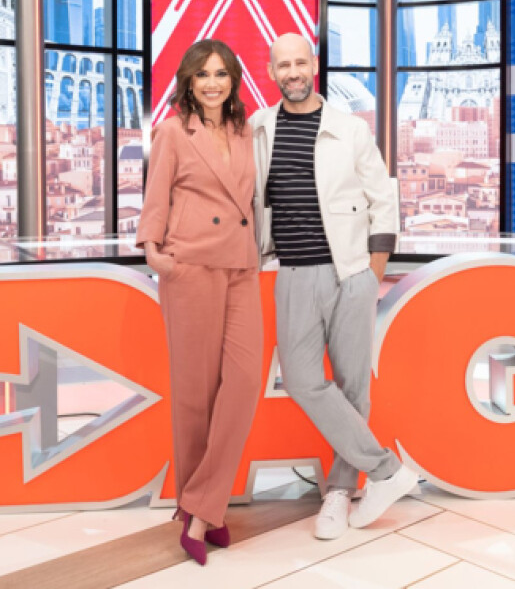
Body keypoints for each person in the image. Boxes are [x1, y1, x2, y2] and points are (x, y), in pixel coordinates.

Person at [250, 32, 418, 540]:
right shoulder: (258, 128)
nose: (293, 72)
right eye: (283, 65)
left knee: (352, 385)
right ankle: (387, 471)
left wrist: (372, 271)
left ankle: (341, 492)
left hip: (350, 272)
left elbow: (383, 198)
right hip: (292, 273)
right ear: (272, 71)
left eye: (300, 63)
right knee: (302, 380)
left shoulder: (349, 129)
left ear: (314, 65)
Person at [136, 39, 263, 566]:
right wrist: (154, 252)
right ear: (189, 81)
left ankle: (201, 504)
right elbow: (157, 194)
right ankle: (202, 514)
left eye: (222, 74)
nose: (213, 83)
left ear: (234, 81)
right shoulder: (173, 131)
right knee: (194, 395)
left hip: (241, 266)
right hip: (190, 265)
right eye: (204, 74)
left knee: (245, 382)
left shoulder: (245, 130)